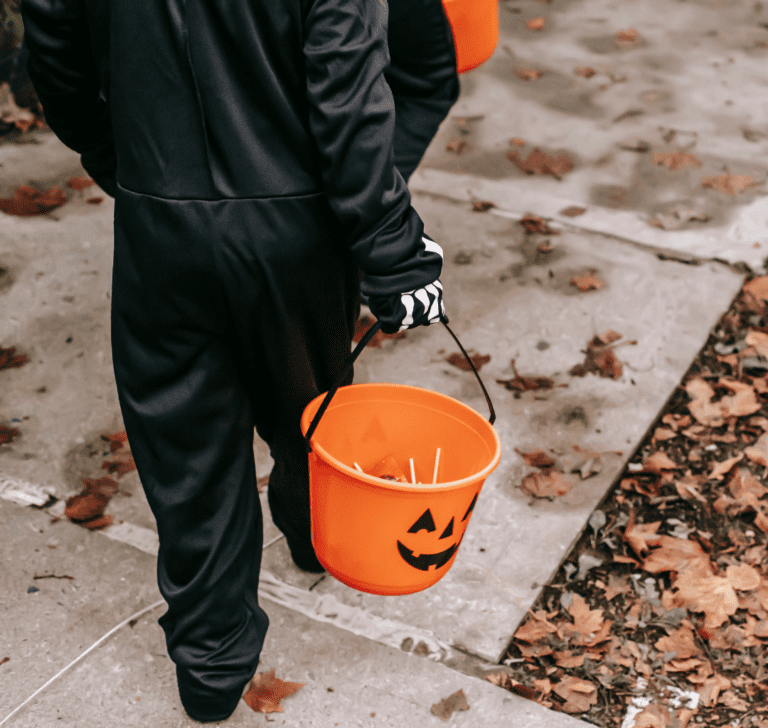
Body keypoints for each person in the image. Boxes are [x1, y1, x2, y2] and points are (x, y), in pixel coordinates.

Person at [20, 0, 459, 721]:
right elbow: (353, 91)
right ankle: (319, 534)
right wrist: (387, 245)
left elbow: (55, 39)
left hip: (160, 218)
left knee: (186, 451)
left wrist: (120, 161)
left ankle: (211, 667)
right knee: (307, 410)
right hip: (297, 230)